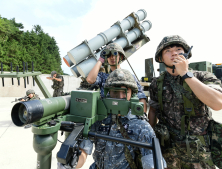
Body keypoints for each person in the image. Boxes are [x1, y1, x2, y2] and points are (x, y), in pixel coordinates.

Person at [58, 69, 167, 169]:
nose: (119, 97)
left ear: (132, 94)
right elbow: (84, 151)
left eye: (124, 92)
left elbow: (152, 162)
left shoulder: (141, 126)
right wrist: (72, 164)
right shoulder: (99, 120)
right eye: (115, 91)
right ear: (107, 93)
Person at [148, 35, 222, 168]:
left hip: (198, 155)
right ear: (161, 58)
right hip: (169, 153)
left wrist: (186, 74)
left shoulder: (202, 76)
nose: (174, 53)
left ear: (186, 53)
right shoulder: (156, 83)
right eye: (168, 51)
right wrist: (151, 140)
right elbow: (153, 110)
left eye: (178, 49)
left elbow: (217, 103)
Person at [86, 43, 148, 114]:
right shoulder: (103, 77)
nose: (112, 57)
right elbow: (90, 80)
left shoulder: (130, 77)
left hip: (124, 117)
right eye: (109, 55)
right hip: (106, 117)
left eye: (115, 54)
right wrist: (100, 60)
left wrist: (142, 116)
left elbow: (141, 97)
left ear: (120, 57)